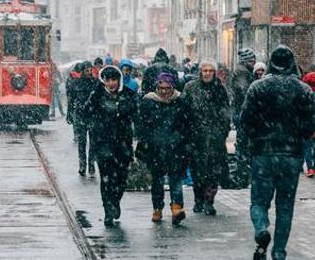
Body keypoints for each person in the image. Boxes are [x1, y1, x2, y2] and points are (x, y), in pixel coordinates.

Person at [239, 45, 315, 260]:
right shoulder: (303, 89)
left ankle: (261, 228)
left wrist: (254, 139)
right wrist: (298, 137)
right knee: (285, 207)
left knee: (259, 201)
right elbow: (312, 122)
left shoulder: (257, 87)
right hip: (291, 155)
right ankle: (279, 251)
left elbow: (245, 120)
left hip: (263, 153)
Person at [82, 65, 136, 227]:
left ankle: (115, 201)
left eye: (114, 80)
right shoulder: (97, 95)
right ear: (103, 80)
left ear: (118, 80)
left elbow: (136, 114)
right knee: (106, 179)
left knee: (121, 179)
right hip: (103, 144)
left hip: (123, 144)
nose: (111, 83)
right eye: (108, 80)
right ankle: (108, 210)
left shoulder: (128, 94)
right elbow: (86, 112)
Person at [136, 72, 189, 225]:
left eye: (167, 88)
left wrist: (183, 141)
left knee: (176, 180)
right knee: (157, 182)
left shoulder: (180, 101)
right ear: (156, 87)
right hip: (156, 149)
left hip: (175, 148)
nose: (164, 91)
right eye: (161, 88)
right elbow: (142, 126)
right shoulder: (148, 102)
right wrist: (145, 143)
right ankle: (157, 208)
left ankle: (177, 207)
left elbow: (186, 125)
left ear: (172, 87)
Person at [182, 61, 231, 216]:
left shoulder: (219, 89)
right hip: (196, 137)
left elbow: (225, 111)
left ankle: (209, 201)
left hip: (215, 138)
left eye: (211, 70)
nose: (208, 73)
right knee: (197, 171)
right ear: (200, 72)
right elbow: (184, 110)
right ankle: (198, 199)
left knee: (213, 171)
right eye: (205, 70)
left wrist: (223, 130)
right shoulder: (191, 88)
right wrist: (187, 132)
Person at [229, 49, 257, 186]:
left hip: (241, 112)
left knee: (243, 144)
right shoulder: (242, 72)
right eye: (251, 60)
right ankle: (243, 176)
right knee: (243, 144)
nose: (254, 63)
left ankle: (244, 174)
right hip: (242, 112)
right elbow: (244, 91)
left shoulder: (243, 71)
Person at [68, 62, 97, 176]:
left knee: (93, 142)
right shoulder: (76, 83)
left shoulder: (96, 83)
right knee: (82, 142)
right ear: (83, 71)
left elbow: (100, 100)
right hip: (80, 116)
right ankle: (82, 164)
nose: (88, 72)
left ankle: (91, 163)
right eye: (86, 70)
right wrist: (69, 114)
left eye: (90, 70)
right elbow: (71, 100)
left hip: (93, 116)